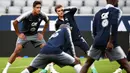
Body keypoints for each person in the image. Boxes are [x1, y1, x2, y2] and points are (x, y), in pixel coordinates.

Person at [2, 1, 57, 73]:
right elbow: (15, 22)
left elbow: (47, 21)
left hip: (35, 35)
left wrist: (42, 33)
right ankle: (5, 69)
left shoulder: (42, 15)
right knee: (17, 51)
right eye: (37, 8)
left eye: (40, 8)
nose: (39, 9)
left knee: (47, 50)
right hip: (25, 35)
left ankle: (51, 69)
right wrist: (18, 34)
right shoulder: (27, 15)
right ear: (33, 8)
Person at [80, 0, 130, 73]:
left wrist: (98, 40)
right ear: (114, 0)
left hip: (97, 42)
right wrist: (110, 42)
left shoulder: (98, 13)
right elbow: (114, 26)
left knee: (87, 63)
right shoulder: (116, 11)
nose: (118, 1)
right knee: (125, 64)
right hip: (110, 42)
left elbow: (93, 30)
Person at [51, 5, 97, 73]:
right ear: (56, 13)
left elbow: (75, 8)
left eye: (61, 10)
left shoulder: (69, 14)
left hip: (78, 38)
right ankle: (47, 69)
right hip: (68, 42)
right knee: (58, 55)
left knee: (89, 53)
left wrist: (65, 9)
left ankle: (93, 69)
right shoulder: (57, 22)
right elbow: (58, 33)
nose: (61, 12)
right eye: (59, 11)